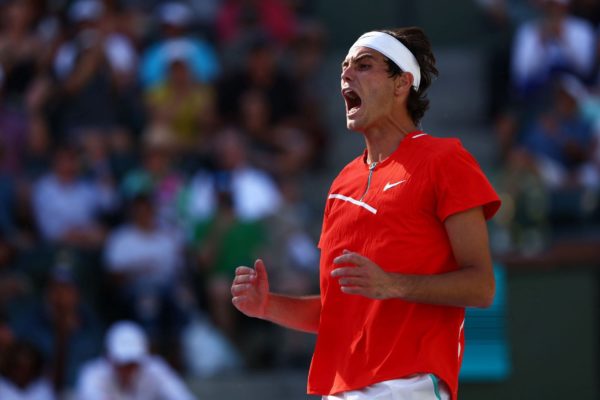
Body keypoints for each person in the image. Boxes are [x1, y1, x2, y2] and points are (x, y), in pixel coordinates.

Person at [231, 27, 501, 400]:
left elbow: (482, 287)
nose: (346, 74)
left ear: (401, 84)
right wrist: (268, 306)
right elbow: (338, 310)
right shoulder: (342, 182)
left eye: (363, 65)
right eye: (344, 66)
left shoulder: (445, 160)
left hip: (408, 385)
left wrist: (393, 284)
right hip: (339, 389)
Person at [75, 320, 196, 400]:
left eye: (133, 363)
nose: (127, 369)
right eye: (122, 363)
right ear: (109, 358)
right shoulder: (92, 375)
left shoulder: (155, 370)